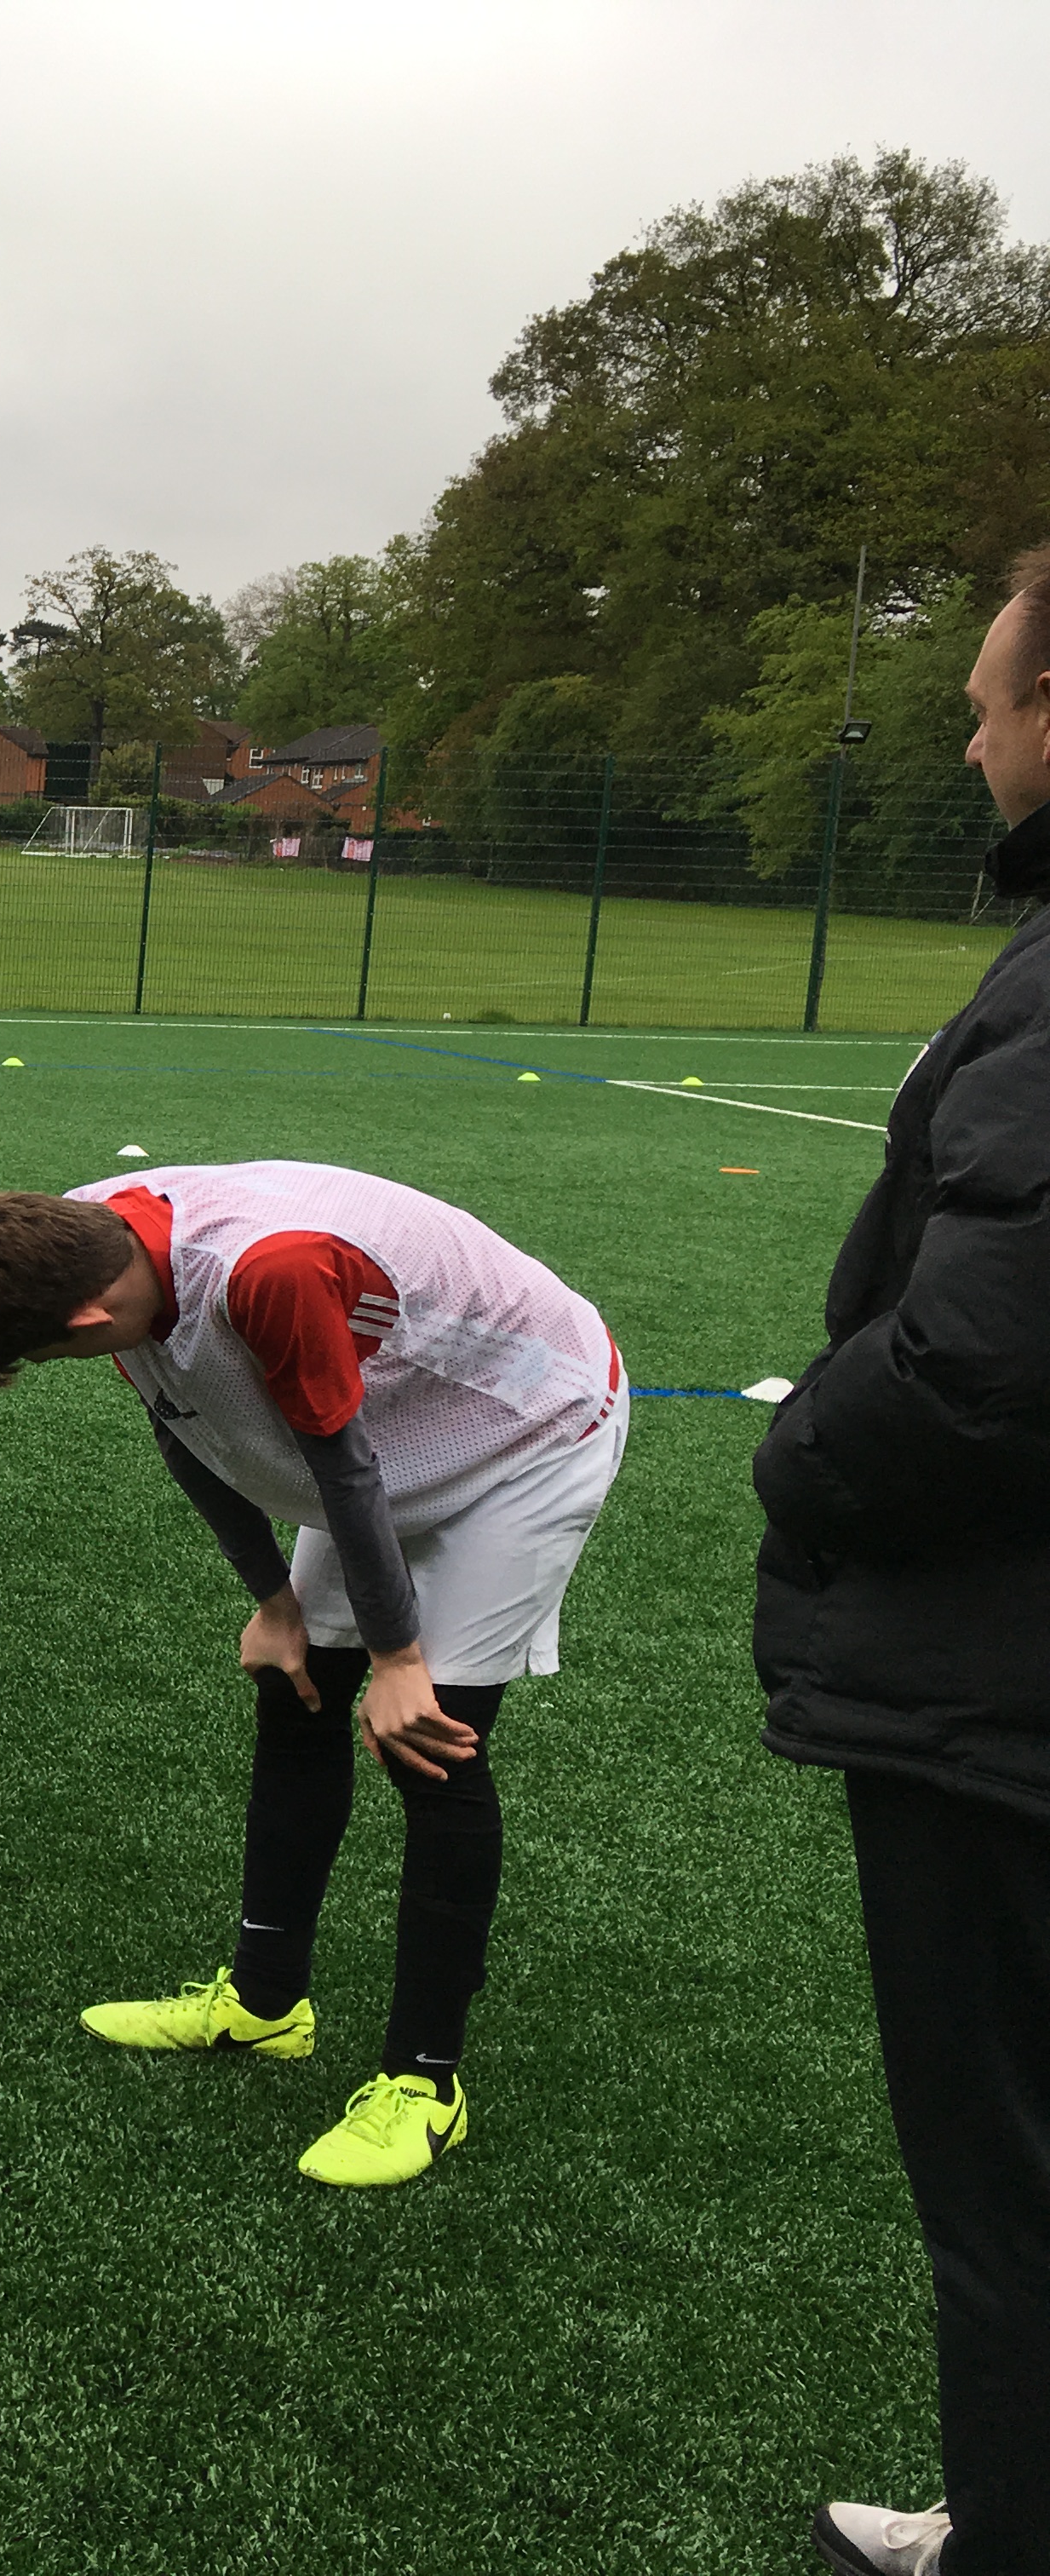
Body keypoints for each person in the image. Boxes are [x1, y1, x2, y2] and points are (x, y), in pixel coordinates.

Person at [0, 1163, 628, 2187]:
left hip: (525, 1431)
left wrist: (399, 1658)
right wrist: (275, 1603)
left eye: (49, 1356)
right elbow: (185, 1425)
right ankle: (264, 2005)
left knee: (429, 1743)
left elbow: (343, 1469)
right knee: (297, 1697)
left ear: (85, 1315)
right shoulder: (85, 1240)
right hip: (389, 1429)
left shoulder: (267, 1271)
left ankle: (427, 2084)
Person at [759, 543, 1050, 2576]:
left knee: (1008, 2180)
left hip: (1002, 1697)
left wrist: (804, 1458)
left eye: (988, 696)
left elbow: (980, 1363)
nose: (965, 730)